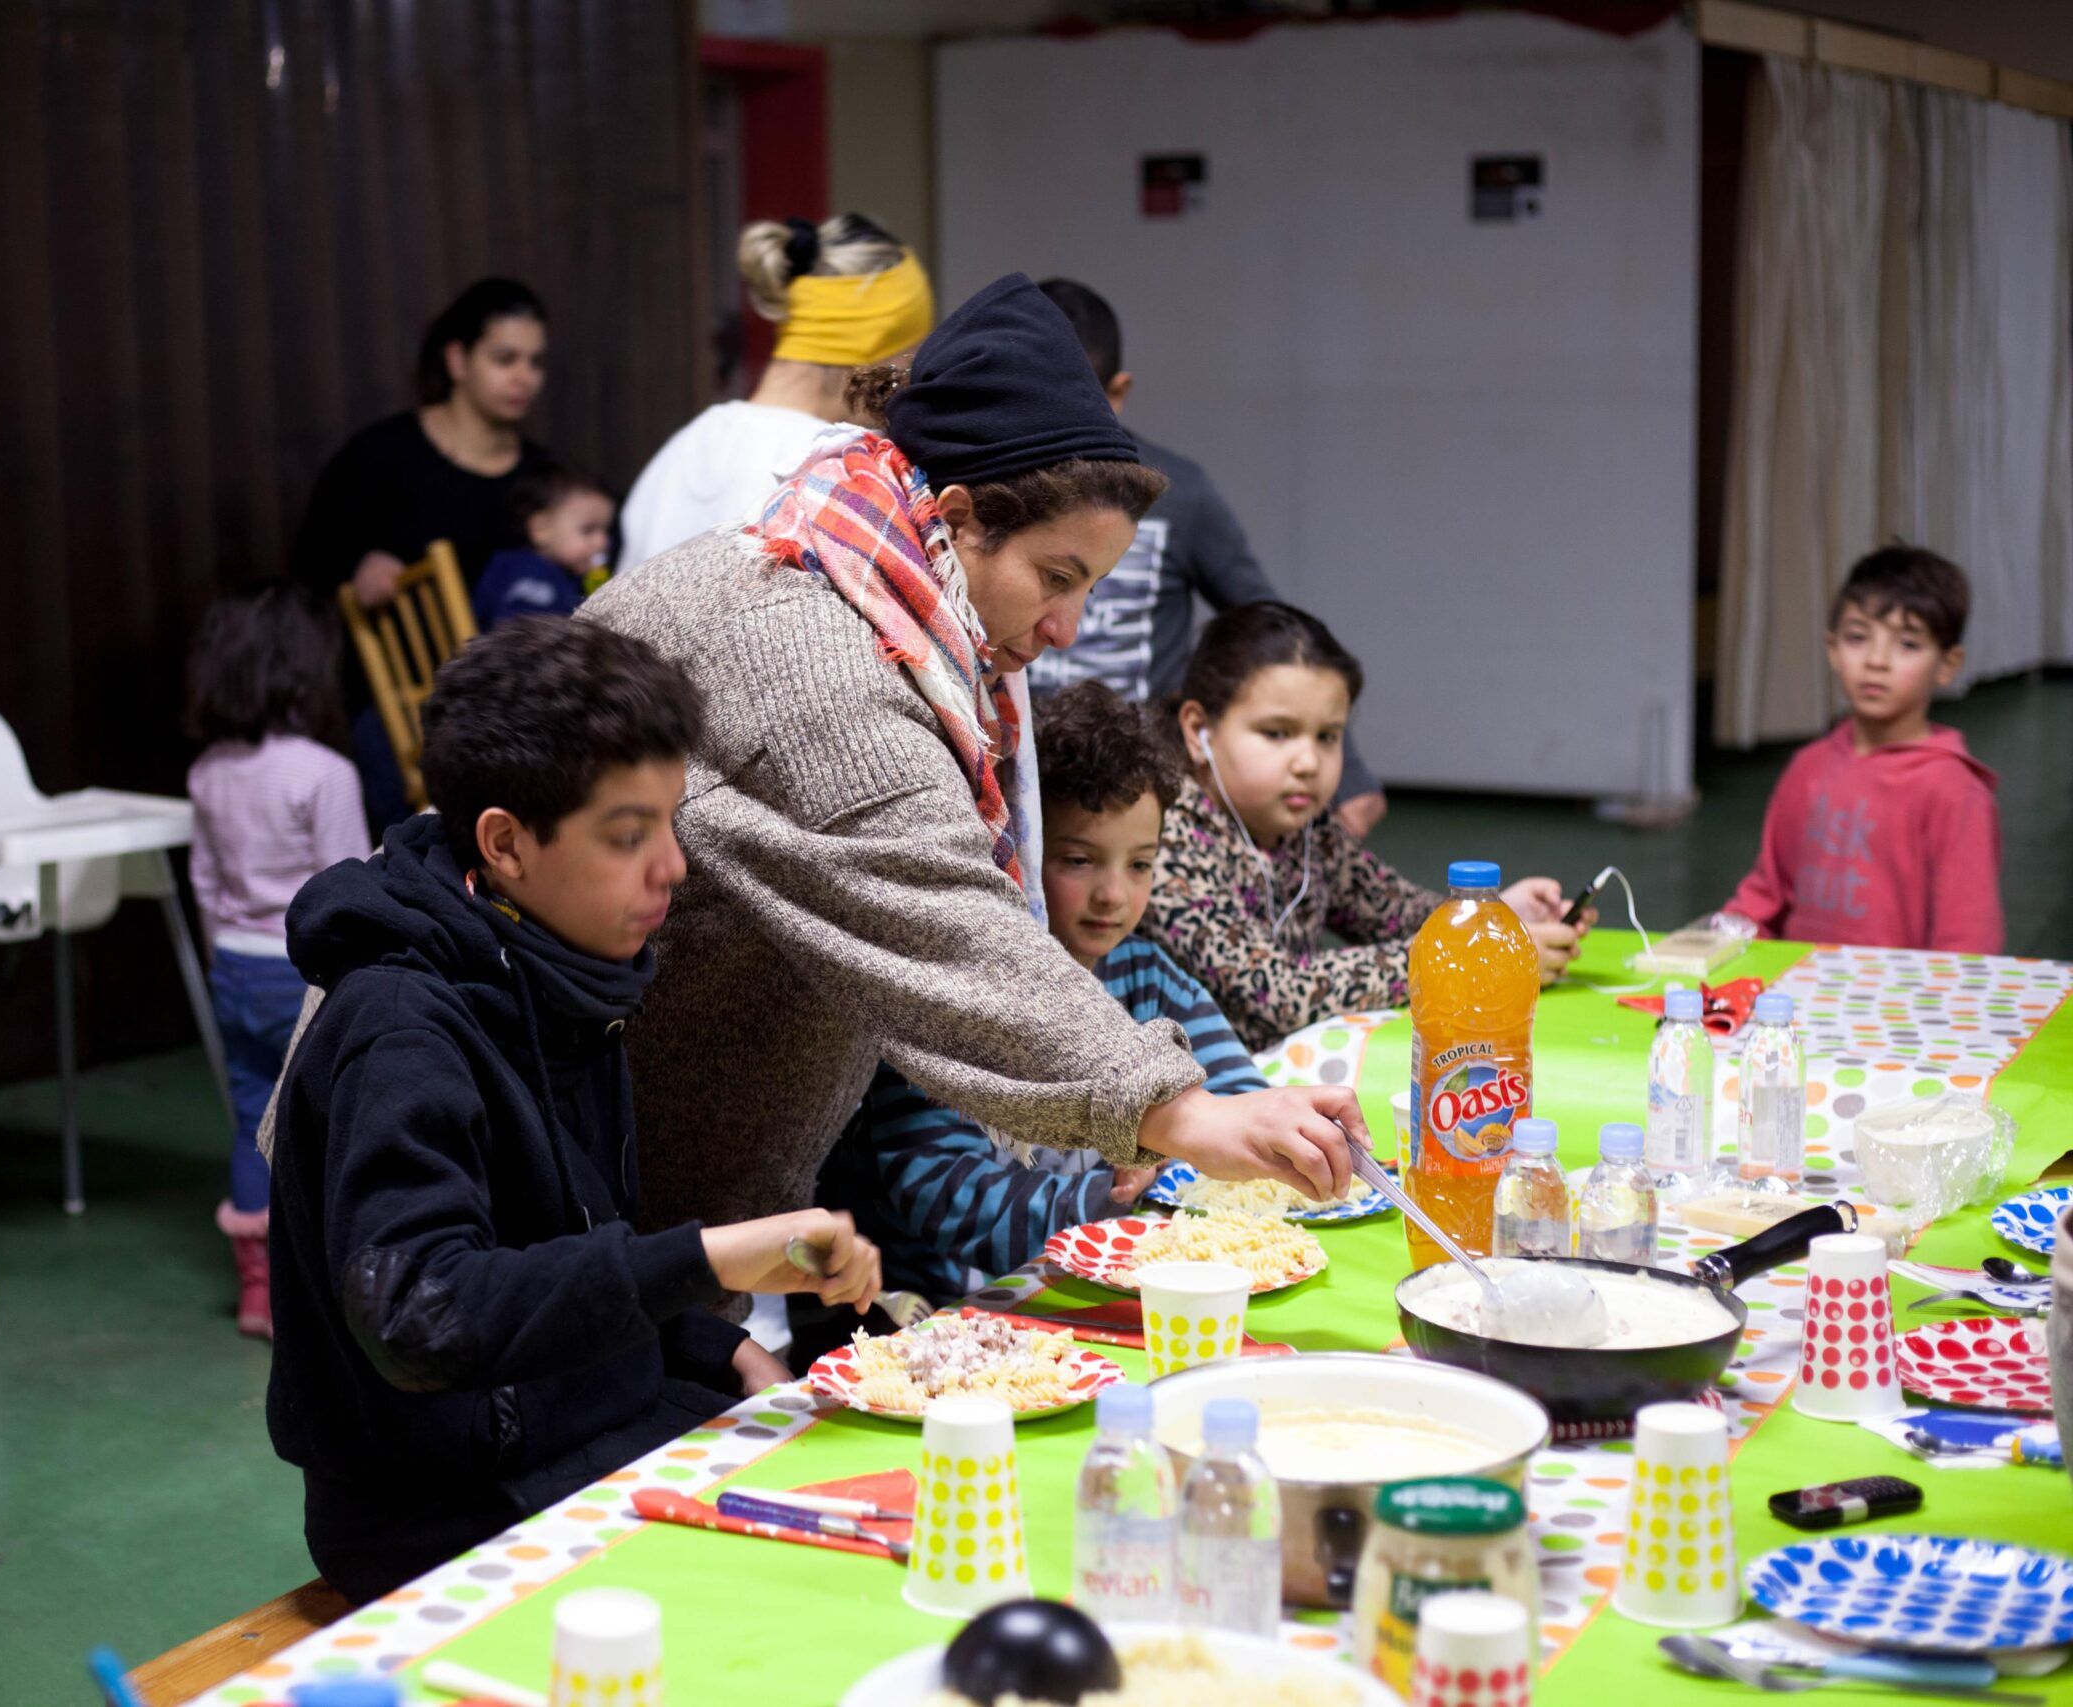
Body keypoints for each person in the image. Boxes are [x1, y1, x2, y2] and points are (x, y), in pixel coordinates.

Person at [582, 273, 1362, 1338]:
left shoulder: (890, 599)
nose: (1067, 628)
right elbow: (944, 914)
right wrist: (1177, 1110)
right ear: (954, 519)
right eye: (1056, 576)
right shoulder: (815, 653)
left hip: (661, 1197)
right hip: (556, 1191)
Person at [261, 618, 882, 1605]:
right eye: (627, 835)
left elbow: (558, 1250)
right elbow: (424, 1312)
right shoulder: (399, 1033)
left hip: (570, 1424)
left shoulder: (557, 972)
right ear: (505, 843)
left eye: (671, 823)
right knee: (810, 1589)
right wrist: (709, 1260)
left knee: (872, 1491)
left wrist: (718, 1342)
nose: (672, 866)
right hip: (440, 1509)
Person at [817, 682, 1266, 1309]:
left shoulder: (1143, 971)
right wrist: (1118, 1205)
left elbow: (1237, 1099)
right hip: (948, 1310)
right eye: (1080, 861)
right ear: (1018, 853)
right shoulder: (953, 989)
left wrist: (1257, 1142)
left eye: (1139, 864)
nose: (1114, 894)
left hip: (1105, 1275)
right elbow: (937, 1189)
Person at [1032, 278, 1389, 840]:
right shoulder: (992, 494)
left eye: (1073, 402)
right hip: (1013, 767)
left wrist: (1350, 776)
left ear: (1118, 392)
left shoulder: (1181, 495)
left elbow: (1271, 629)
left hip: (1145, 787)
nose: (1047, 428)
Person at [1146, 602, 1588, 1053]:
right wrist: (1467, 956)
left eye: (1327, 736)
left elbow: (1398, 913)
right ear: (1199, 730)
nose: (1308, 762)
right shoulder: (1161, 835)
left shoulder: (1307, 832)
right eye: (1277, 733)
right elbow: (1278, 992)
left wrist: (1489, 918)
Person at [289, 279, 554, 831]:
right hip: (398, 712)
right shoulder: (380, 458)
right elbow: (310, 562)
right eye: (505, 358)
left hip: (518, 713)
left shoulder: (546, 483)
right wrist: (353, 571)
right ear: (458, 359)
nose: (523, 377)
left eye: (534, 362)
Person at [184, 581, 373, 1339]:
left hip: (231, 964)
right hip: (303, 971)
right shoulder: (324, 771)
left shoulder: (209, 770)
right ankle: (316, 1287)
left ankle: (256, 1292)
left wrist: (216, 965)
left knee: (248, 1118)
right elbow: (347, 885)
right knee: (323, 1124)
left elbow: (202, 881)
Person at [614, 214, 935, 575]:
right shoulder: (832, 468)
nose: (906, 379)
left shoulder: (680, 453)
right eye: (909, 355)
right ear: (875, 349)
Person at [1718, 546, 2000, 952]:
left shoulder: (1954, 791)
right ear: (1832, 649)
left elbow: (1968, 940)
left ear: (1947, 665)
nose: (1876, 660)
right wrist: (1709, 948)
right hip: (1799, 1001)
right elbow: (1766, 894)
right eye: (1857, 637)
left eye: (1907, 644)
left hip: (1902, 1009)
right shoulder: (1809, 767)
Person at [470, 465, 613, 631]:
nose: (603, 542)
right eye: (588, 530)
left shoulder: (573, 577)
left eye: (606, 531)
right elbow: (520, 640)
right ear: (541, 530)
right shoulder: (525, 574)